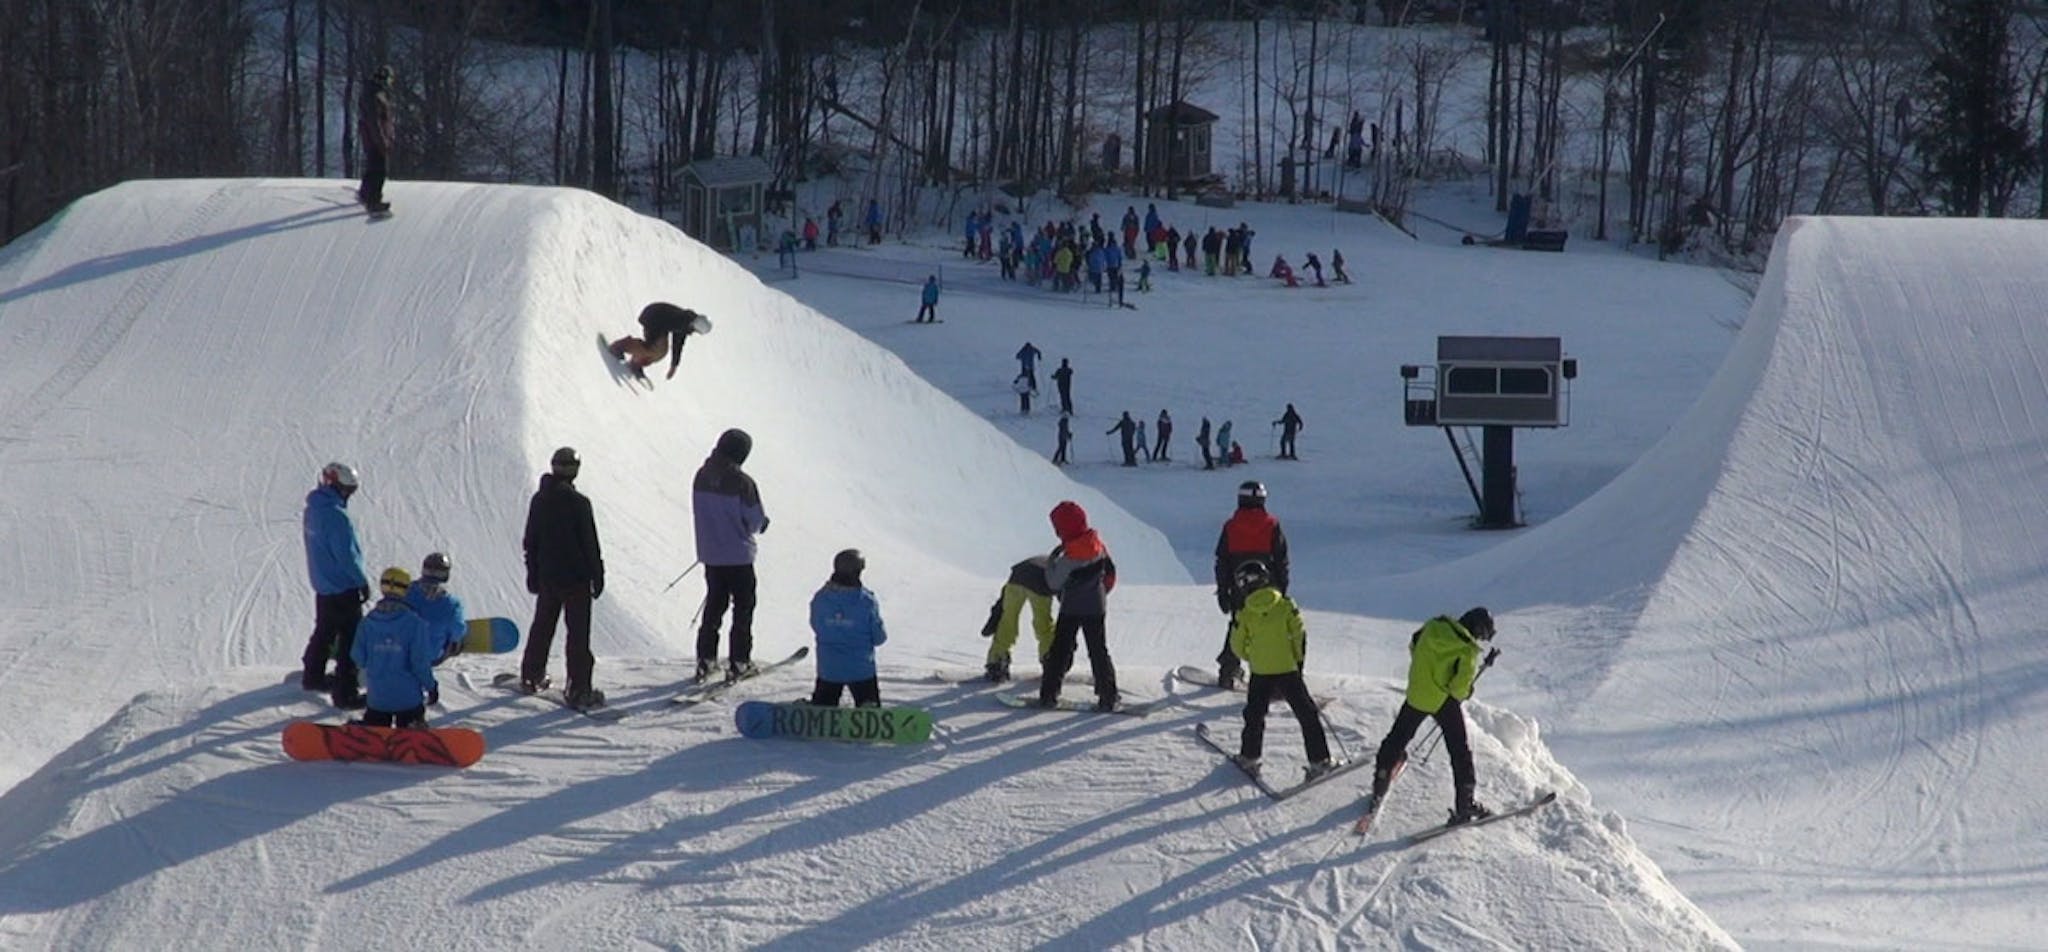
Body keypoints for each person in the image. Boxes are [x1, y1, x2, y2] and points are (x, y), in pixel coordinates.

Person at [1369, 608, 1500, 824]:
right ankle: (1465, 805)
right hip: (1442, 702)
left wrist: (1427, 670)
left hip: (1417, 691)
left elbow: (1414, 643)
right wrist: (1465, 691)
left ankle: (1381, 778)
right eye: (1482, 635)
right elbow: (1459, 689)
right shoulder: (1467, 650)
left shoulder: (1434, 625)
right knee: (1460, 751)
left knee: (1398, 737)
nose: (1480, 639)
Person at [1227, 560, 1334, 778]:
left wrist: (1253, 656)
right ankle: (1319, 761)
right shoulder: (1285, 604)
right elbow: (1299, 634)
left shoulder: (1244, 613)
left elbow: (1236, 645)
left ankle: (1249, 757)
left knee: (1255, 715)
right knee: (1307, 714)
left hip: (1260, 671)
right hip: (1288, 669)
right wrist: (1296, 659)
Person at [521, 447, 605, 707]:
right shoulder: (579, 503)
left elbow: (530, 541)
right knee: (578, 635)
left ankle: (531, 675)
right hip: (576, 580)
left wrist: (533, 573)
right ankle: (579, 688)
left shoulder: (540, 499)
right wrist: (598, 575)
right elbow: (590, 544)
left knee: (542, 627)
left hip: (548, 576)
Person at [693, 428, 769, 682]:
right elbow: (755, 521)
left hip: (711, 554)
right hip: (738, 555)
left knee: (714, 605)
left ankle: (705, 659)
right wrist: (763, 523)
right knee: (743, 608)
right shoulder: (742, 483)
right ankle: (739, 661)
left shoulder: (701, 476)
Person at [302, 462, 370, 708]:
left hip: (323, 585)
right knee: (350, 640)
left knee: (324, 631)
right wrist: (361, 582)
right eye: (347, 490)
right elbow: (347, 556)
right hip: (343, 587)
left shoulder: (313, 509)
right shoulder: (336, 516)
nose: (349, 495)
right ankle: (345, 693)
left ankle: (313, 675)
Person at [1041, 501, 1121, 710]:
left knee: (1060, 650)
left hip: (1071, 608)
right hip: (1096, 607)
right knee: (1098, 650)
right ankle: (1108, 695)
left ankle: (1048, 694)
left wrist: (1052, 561)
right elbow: (1110, 574)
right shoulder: (1098, 545)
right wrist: (1101, 593)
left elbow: (1053, 583)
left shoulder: (1068, 558)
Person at [1213, 480, 1290, 689]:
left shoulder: (1231, 526)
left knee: (1238, 626)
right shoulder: (1272, 524)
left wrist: (1222, 590)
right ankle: (1273, 677)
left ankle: (1228, 670)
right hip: (1268, 589)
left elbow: (1222, 561)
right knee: (1270, 630)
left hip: (1239, 588)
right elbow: (1281, 560)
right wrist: (1283, 588)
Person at [351, 567, 439, 728]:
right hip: (409, 700)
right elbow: (419, 662)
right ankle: (414, 732)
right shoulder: (415, 624)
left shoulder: (367, 623)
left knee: (376, 727)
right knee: (411, 726)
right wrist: (431, 686)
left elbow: (358, 657)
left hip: (377, 699)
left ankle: (370, 733)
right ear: (405, 590)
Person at [808, 549, 887, 707]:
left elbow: (816, 625)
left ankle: (821, 708)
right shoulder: (866, 601)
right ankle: (868, 708)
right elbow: (879, 638)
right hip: (861, 669)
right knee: (868, 703)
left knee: (824, 704)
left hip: (829, 668)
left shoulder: (820, 598)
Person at [978, 554, 1056, 682]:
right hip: (1040, 583)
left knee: (1007, 621)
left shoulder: (1047, 560)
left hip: (1016, 579)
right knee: (1044, 625)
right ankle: (1048, 658)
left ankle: (996, 661)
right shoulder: (1062, 566)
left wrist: (994, 617)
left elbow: (1003, 598)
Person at [610, 301, 707, 382]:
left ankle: (637, 362)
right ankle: (619, 346)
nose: (695, 332)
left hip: (658, 324)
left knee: (660, 352)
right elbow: (673, 338)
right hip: (652, 320)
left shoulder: (686, 322)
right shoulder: (682, 321)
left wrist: (674, 365)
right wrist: (651, 343)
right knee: (654, 350)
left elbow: (678, 344)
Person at [404, 551, 466, 664]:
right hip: (430, 656)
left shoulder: (405, 592)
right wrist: (456, 639)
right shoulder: (451, 603)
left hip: (401, 652)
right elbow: (458, 631)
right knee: (453, 629)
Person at [356, 65, 395, 214]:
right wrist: (382, 141)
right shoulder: (374, 95)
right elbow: (374, 121)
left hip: (373, 138)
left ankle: (365, 193)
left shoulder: (373, 92)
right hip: (375, 139)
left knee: (373, 166)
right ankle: (374, 201)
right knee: (380, 169)